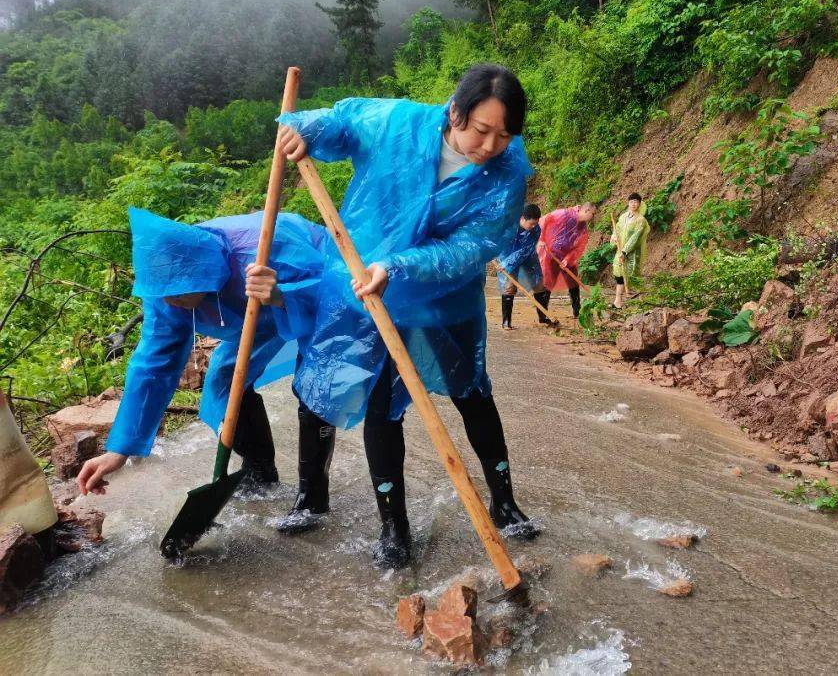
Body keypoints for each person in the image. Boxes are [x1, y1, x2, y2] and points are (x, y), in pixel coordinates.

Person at [276, 63, 537, 569]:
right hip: (365, 287)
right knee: (380, 401)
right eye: (481, 130)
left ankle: (504, 502)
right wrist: (304, 129)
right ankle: (393, 527)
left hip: (444, 298)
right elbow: (343, 124)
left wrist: (399, 265)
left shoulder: (507, 177)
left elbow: (471, 248)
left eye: (503, 136)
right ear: (454, 112)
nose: (489, 146)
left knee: (472, 394)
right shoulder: (398, 123)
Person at [76, 209, 328, 524]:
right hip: (252, 316)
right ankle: (260, 470)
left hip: (299, 291)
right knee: (223, 382)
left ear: (204, 275)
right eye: (163, 294)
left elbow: (332, 293)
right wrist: (120, 450)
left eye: (177, 293)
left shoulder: (266, 253)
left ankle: (312, 499)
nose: (170, 303)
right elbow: (153, 364)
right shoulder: (165, 286)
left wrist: (283, 296)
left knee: (317, 386)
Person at [537, 202, 597, 318]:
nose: (593, 217)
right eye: (593, 214)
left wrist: (568, 259)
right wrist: (542, 239)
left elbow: (579, 247)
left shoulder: (583, 228)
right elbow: (545, 220)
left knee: (573, 283)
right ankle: (542, 314)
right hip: (551, 253)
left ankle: (577, 312)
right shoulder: (564, 214)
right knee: (548, 283)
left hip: (566, 257)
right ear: (586, 211)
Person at [496, 203, 548, 329]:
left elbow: (525, 250)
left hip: (527, 255)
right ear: (522, 219)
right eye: (531, 224)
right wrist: (504, 262)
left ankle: (543, 317)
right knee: (509, 287)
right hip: (507, 256)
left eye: (536, 223)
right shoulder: (508, 226)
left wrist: (507, 262)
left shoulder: (536, 230)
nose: (534, 226)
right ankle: (506, 322)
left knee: (539, 284)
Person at [610, 192, 650, 309]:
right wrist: (614, 237)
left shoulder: (640, 220)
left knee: (633, 275)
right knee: (619, 273)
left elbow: (635, 238)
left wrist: (625, 252)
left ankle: (642, 301)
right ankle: (618, 301)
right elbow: (616, 229)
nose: (633, 204)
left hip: (632, 253)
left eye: (636, 202)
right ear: (628, 203)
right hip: (620, 249)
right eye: (632, 201)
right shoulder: (623, 217)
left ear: (639, 204)